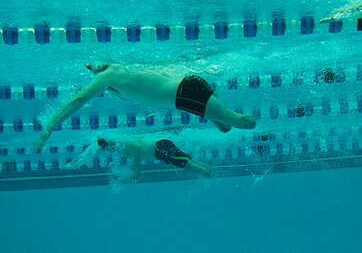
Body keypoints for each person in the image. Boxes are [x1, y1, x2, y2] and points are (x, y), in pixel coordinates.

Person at [34, 63, 256, 151]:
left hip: (186, 94)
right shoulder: (122, 76)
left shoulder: (111, 74)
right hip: (186, 92)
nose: (94, 76)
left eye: (94, 72)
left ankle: (259, 130)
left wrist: (51, 124)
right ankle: (219, 119)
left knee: (240, 123)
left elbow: (79, 100)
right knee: (225, 126)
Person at [67, 134, 211, 179]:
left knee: (185, 164)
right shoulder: (109, 146)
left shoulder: (121, 141)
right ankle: (209, 170)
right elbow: (88, 153)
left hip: (160, 147)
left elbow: (135, 147)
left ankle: (208, 174)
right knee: (187, 161)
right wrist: (74, 164)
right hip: (160, 150)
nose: (109, 149)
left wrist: (136, 169)